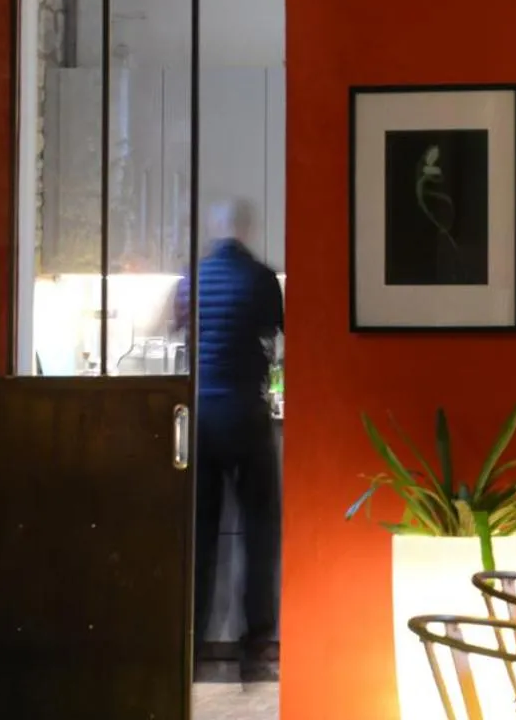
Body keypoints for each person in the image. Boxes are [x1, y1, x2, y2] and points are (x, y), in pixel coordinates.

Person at [177, 199, 283, 683]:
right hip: (246, 416)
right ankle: (255, 650)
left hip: (199, 419)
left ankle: (191, 647)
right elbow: (275, 340)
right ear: (244, 229)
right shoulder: (261, 279)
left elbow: (179, 328)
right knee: (260, 536)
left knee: (200, 537)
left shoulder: (193, 278)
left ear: (215, 231)